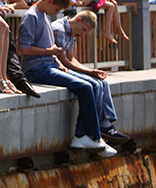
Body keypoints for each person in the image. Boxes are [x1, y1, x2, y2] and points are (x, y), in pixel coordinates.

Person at [18, 0, 117, 157]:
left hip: (49, 65)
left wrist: (56, 59)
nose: (55, 12)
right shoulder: (31, 17)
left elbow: (48, 47)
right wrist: (51, 53)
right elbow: (25, 50)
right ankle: (93, 136)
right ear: (49, 1)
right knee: (85, 87)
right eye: (56, 8)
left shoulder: (44, 15)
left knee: (93, 85)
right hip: (36, 69)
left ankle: (82, 136)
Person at [51, 10, 129, 145]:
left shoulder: (71, 30)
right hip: (56, 68)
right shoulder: (60, 29)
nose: (82, 35)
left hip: (65, 66)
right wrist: (89, 73)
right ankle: (95, 129)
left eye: (85, 33)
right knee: (94, 84)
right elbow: (64, 62)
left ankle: (105, 124)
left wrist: (91, 71)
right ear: (78, 20)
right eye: (83, 30)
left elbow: (71, 58)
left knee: (102, 82)